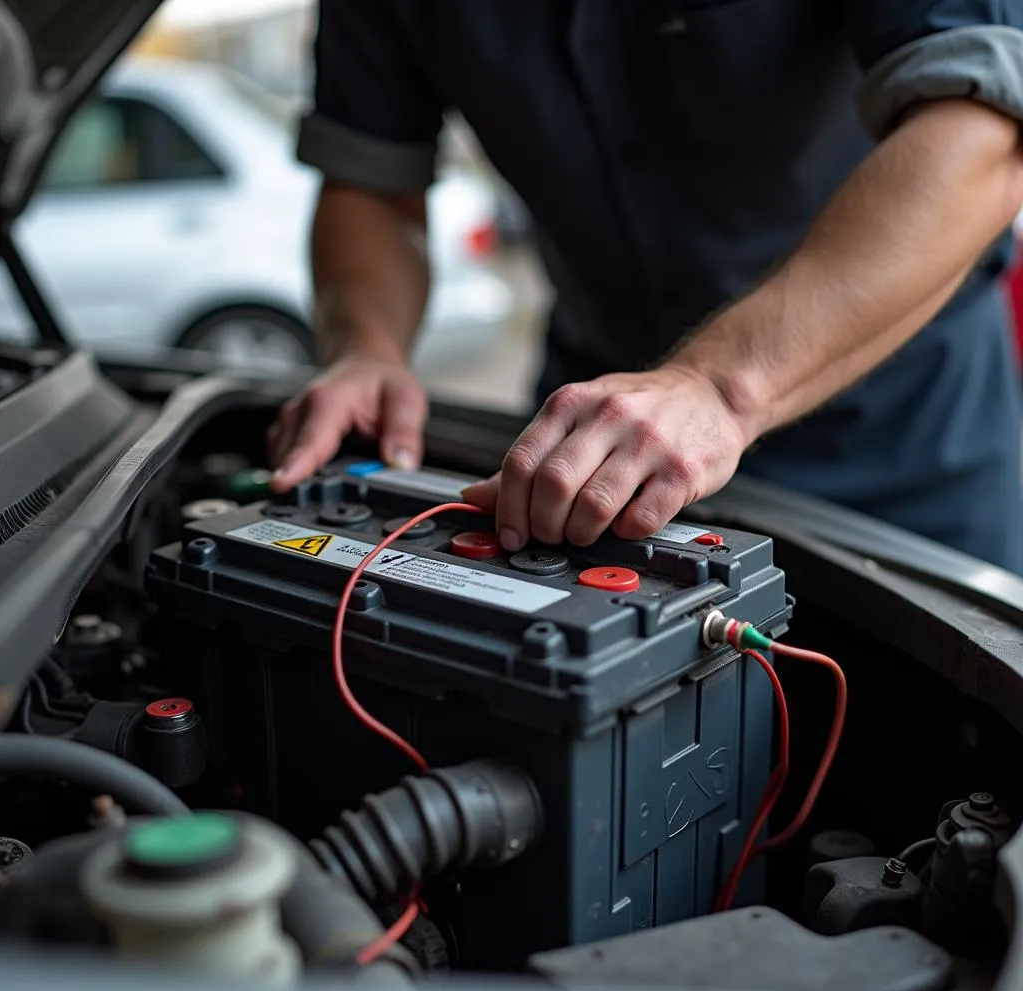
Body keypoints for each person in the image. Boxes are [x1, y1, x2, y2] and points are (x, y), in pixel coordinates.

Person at [267, 1, 1023, 571]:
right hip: (593, 456)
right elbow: (370, 182)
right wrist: (366, 346)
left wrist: (720, 389)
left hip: (908, 460)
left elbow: (979, 127)